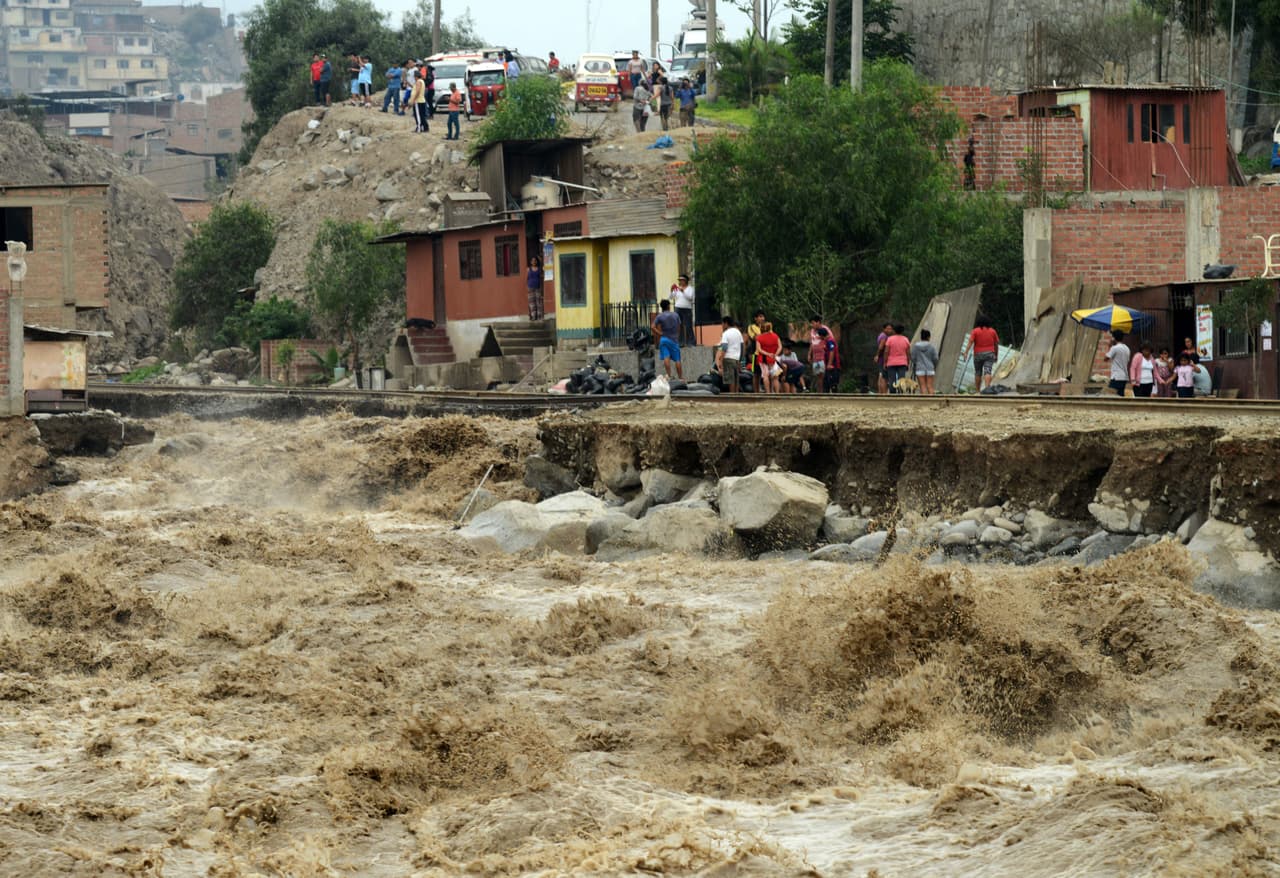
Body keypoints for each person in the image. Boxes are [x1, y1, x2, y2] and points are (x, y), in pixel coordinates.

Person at [962, 315, 1000, 392]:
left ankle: (977, 391)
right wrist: (996, 355)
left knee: (978, 372)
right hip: (990, 354)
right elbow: (996, 345)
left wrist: (966, 352)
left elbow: (970, 342)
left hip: (978, 354)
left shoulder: (975, 331)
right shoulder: (992, 331)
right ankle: (987, 390)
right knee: (988, 371)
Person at [652, 299, 683, 379]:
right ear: (669, 306)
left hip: (664, 339)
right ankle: (680, 377)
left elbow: (653, 327)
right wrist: (677, 335)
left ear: (662, 307)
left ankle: (669, 375)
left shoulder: (660, 316)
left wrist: (660, 333)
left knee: (666, 357)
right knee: (677, 359)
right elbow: (679, 327)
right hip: (674, 340)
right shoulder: (675, 315)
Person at [882, 324, 912, 393]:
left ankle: (892, 394)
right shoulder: (906, 339)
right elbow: (908, 353)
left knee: (891, 380)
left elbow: (886, 351)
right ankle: (900, 394)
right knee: (901, 380)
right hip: (902, 363)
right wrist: (908, 362)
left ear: (894, 331)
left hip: (891, 363)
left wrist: (885, 362)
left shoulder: (890, 339)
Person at [754, 321, 782, 393]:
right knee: (775, 377)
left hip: (763, 359)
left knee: (765, 375)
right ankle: (777, 393)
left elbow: (759, 349)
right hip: (773, 358)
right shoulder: (775, 336)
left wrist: (767, 354)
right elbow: (780, 347)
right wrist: (775, 354)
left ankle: (768, 393)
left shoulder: (759, 337)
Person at [717, 316, 743, 393]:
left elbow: (724, 347)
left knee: (730, 381)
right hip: (736, 359)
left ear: (726, 323)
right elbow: (742, 346)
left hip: (728, 358)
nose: (722, 325)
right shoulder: (738, 332)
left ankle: (732, 396)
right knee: (736, 380)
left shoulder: (726, 333)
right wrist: (740, 360)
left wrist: (721, 360)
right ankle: (737, 396)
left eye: (722, 323)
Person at [912, 329, 940, 396]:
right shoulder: (931, 347)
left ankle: (924, 401)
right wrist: (934, 365)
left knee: (922, 386)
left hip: (920, 368)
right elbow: (936, 358)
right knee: (930, 386)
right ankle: (932, 400)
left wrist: (916, 363)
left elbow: (913, 358)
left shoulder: (916, 347)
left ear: (921, 337)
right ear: (928, 337)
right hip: (930, 368)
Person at [807, 315, 831, 391]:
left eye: (813, 323)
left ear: (818, 322)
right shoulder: (812, 331)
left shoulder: (825, 329)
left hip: (823, 356)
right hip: (815, 357)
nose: (812, 325)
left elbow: (830, 339)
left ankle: (824, 391)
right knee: (817, 375)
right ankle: (819, 391)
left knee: (822, 374)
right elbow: (812, 343)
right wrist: (809, 353)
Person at [671, 274, 695, 345]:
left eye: (682, 280)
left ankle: (691, 342)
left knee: (688, 325)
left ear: (686, 281)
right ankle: (680, 342)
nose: (680, 282)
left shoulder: (690, 289)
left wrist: (683, 291)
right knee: (679, 325)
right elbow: (671, 297)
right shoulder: (677, 288)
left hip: (687, 308)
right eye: (679, 280)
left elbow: (690, 298)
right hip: (678, 308)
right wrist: (671, 290)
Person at [1106, 330, 1131, 396]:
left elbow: (1106, 359)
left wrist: (1109, 346)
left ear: (1114, 338)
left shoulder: (1114, 348)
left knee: (1112, 395)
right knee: (1120, 396)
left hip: (1116, 377)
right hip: (1124, 377)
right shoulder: (1127, 348)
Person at [746, 309, 765, 392]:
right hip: (755, 353)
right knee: (756, 374)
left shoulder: (767, 327)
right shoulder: (751, 327)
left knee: (766, 373)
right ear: (755, 318)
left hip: (766, 352)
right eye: (760, 316)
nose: (762, 318)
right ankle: (756, 392)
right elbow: (755, 338)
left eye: (763, 317)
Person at [817, 327, 841, 393]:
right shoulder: (827, 342)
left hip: (833, 367)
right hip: (828, 367)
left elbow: (832, 352)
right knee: (826, 384)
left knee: (833, 384)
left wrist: (829, 364)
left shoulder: (830, 341)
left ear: (822, 335)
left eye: (820, 336)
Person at [873, 321, 893, 393]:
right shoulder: (884, 336)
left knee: (881, 375)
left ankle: (880, 393)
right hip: (883, 359)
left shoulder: (881, 335)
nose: (889, 330)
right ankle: (883, 393)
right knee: (883, 377)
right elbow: (881, 347)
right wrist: (877, 355)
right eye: (888, 328)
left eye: (890, 329)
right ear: (884, 329)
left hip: (881, 358)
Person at [526, 256, 544, 321]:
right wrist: (527, 286)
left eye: (535, 260)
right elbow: (526, 278)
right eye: (532, 261)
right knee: (532, 302)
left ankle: (539, 316)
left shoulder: (539, 269)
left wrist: (541, 260)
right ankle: (534, 316)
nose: (534, 262)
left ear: (536, 262)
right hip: (530, 287)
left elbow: (541, 278)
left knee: (538, 301)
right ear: (531, 262)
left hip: (538, 287)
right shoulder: (528, 269)